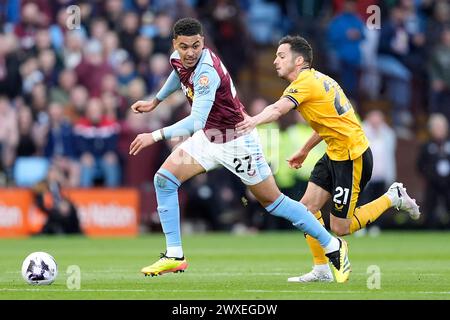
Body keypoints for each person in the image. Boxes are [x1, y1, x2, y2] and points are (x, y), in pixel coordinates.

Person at [129, 18, 350, 282]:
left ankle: (332, 245)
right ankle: (175, 255)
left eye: (196, 46)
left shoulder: (206, 71)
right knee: (164, 180)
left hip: (237, 140)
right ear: (175, 44)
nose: (190, 52)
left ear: (203, 42)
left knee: (274, 203)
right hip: (209, 138)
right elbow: (178, 75)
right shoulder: (178, 58)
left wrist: (153, 135)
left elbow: (196, 121)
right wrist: (155, 101)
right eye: (184, 46)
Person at [235, 35, 421, 283]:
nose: (275, 61)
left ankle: (392, 197)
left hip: (352, 156)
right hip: (334, 151)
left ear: (298, 60)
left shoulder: (304, 83)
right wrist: (304, 149)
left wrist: (253, 122)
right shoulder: (319, 80)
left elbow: (277, 109)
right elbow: (328, 123)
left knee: (341, 228)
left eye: (281, 56)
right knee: (307, 209)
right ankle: (321, 269)